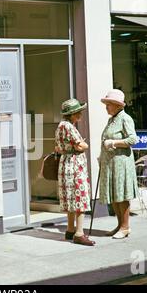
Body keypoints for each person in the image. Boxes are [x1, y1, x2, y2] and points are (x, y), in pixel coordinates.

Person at [99, 89, 138, 239]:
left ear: (117, 105)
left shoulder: (125, 119)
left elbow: (132, 139)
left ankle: (125, 226)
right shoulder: (112, 120)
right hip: (111, 163)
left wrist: (114, 142)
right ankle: (119, 224)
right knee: (115, 194)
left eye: (109, 104)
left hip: (121, 163)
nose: (106, 107)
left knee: (122, 194)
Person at [55, 99, 95, 246]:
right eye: (78, 112)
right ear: (72, 114)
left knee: (70, 197)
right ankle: (79, 233)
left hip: (65, 163)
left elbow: (59, 148)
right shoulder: (69, 127)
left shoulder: (60, 126)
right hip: (74, 164)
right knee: (80, 196)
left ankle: (70, 229)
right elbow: (81, 145)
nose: (80, 115)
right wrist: (84, 145)